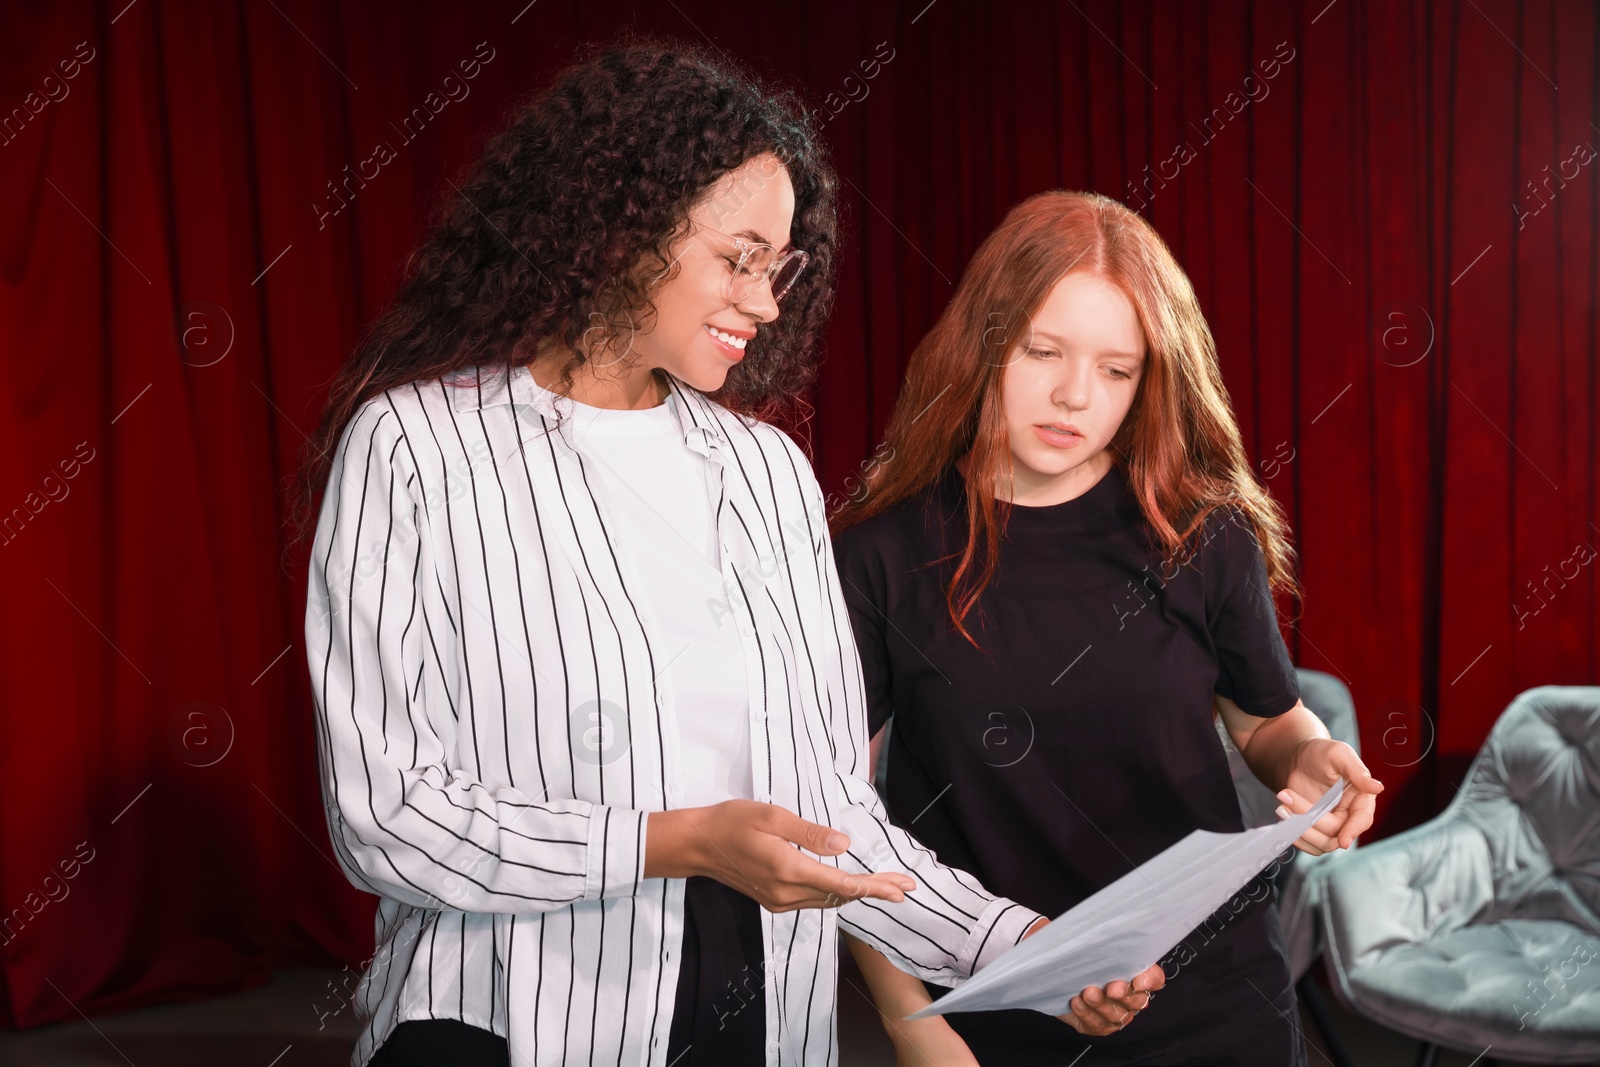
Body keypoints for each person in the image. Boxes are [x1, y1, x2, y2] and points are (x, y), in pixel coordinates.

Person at [292, 44, 1160, 1067]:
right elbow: (386, 817)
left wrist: (1013, 942)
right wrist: (673, 842)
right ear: (622, 230)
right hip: (505, 1023)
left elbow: (831, 811)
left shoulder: (767, 474)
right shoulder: (415, 449)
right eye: (738, 258)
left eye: (779, 265)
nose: (767, 301)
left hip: (755, 1020)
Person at [830, 190, 1385, 1066]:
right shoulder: (878, 560)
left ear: (1149, 379)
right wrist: (915, 1027)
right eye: (1041, 350)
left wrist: (1312, 761)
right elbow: (839, 822)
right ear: (982, 345)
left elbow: (1268, 720)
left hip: (1215, 1003)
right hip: (990, 1007)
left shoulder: (1202, 535)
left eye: (1117, 369)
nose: (1074, 395)